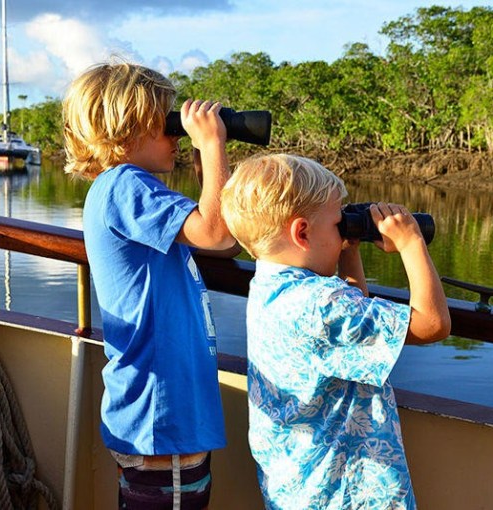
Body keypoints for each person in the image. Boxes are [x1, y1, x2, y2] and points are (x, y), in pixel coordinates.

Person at [220, 153, 451, 510]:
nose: (343, 228)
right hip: (346, 493)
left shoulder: (270, 286)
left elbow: (346, 330)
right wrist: (411, 243)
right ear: (302, 232)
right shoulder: (322, 304)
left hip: (297, 488)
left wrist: (348, 251)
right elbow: (433, 324)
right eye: (337, 223)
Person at [63, 61, 239, 510]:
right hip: (162, 417)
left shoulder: (128, 190)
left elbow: (223, 244)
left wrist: (207, 166)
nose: (177, 134)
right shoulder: (125, 185)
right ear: (126, 130)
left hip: (162, 415)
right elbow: (217, 233)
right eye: (167, 123)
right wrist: (213, 141)